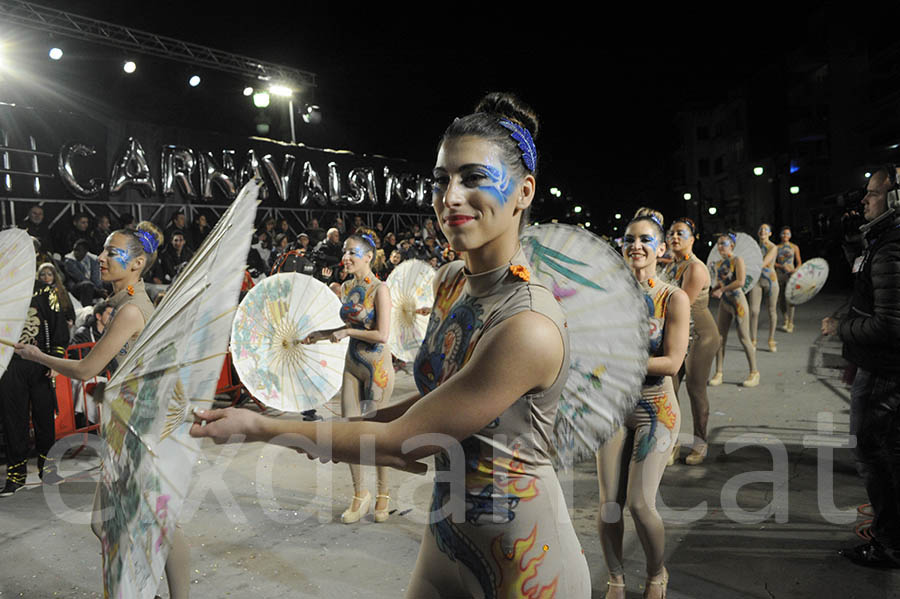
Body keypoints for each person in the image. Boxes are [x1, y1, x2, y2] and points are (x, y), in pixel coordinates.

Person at [190, 92, 592, 597]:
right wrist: (347, 430)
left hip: (526, 558)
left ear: (525, 192)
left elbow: (406, 440)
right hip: (447, 534)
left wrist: (261, 427)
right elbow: (427, 407)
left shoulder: (527, 325)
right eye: (442, 180)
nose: (451, 197)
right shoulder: (448, 282)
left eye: (474, 178)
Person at [13, 222, 191, 598]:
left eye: (113, 252)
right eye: (104, 250)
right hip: (127, 424)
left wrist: (37, 354)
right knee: (103, 523)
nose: (103, 257)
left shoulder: (131, 311)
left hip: (146, 429)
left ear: (138, 263)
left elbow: (84, 368)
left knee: (160, 526)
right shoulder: (124, 302)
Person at [598, 213, 689, 599]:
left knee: (638, 503)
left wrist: (618, 360)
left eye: (646, 240)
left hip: (657, 409)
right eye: (629, 239)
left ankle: (656, 573)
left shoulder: (673, 298)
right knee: (608, 506)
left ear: (661, 249)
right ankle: (615, 578)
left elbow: (672, 363)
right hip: (613, 409)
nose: (636, 245)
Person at [822, 166, 900, 569]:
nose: (864, 201)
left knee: (876, 456)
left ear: (895, 199)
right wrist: (855, 245)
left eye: (872, 194)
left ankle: (889, 543)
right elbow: (869, 287)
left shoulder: (892, 246)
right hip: (879, 366)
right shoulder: (882, 242)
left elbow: (890, 323)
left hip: (883, 370)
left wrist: (842, 328)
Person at [302, 230, 396, 522]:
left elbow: (381, 334)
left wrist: (347, 332)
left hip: (377, 368)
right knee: (351, 432)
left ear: (368, 257)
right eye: (344, 251)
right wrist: (322, 335)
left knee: (377, 435)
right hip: (352, 366)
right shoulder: (345, 287)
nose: (345, 257)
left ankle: (383, 494)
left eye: (351, 252)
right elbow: (343, 328)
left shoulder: (380, 289)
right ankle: (360, 495)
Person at [0, 278, 70, 495]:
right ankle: (16, 474)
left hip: (40, 360)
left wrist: (55, 358)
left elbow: (58, 320)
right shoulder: (4, 289)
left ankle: (47, 469)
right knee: (13, 420)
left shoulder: (43, 289)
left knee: (44, 416)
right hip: (9, 362)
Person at [663, 217, 720, 465]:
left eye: (681, 234)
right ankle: (672, 443)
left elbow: (680, 305)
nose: (675, 237)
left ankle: (700, 443)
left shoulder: (695, 268)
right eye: (672, 233)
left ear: (693, 239)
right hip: (678, 333)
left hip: (701, 335)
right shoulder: (671, 265)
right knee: (668, 389)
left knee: (695, 390)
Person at [709, 232, 760, 387]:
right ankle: (719, 372)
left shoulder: (737, 260)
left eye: (723, 243)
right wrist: (713, 290)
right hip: (725, 303)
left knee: (744, 338)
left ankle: (754, 372)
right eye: (718, 243)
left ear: (731, 245)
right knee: (720, 338)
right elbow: (720, 283)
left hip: (738, 302)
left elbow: (740, 281)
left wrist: (722, 290)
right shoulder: (718, 263)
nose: (720, 246)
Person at [749, 224, 780, 352]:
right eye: (760, 229)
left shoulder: (773, 247)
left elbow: (763, 263)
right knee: (754, 311)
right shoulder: (753, 247)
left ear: (770, 233)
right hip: (756, 281)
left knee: (771, 310)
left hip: (770, 281)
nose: (763, 231)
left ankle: (771, 339)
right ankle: (753, 340)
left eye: (766, 230)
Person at [775, 226, 802, 333]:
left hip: (791, 274)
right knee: (781, 298)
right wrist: (781, 267)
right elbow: (773, 262)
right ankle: (785, 319)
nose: (785, 236)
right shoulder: (776, 248)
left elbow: (799, 261)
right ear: (780, 235)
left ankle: (791, 322)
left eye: (787, 234)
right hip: (780, 274)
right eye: (783, 233)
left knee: (790, 298)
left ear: (790, 236)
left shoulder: (794, 247)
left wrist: (796, 269)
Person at [64, 239, 105, 306]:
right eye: (74, 250)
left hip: (94, 287)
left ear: (85, 251)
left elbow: (96, 276)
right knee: (87, 285)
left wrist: (100, 288)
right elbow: (80, 278)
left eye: (78, 250)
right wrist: (98, 291)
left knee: (110, 282)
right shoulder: (69, 261)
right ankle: (87, 310)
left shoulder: (92, 259)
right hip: (77, 287)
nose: (75, 252)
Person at [37, 261, 77, 326]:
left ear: (54, 276)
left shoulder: (62, 291)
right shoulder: (36, 293)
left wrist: (71, 321)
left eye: (49, 274)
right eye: (43, 275)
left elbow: (70, 310)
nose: (46, 278)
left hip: (62, 325)